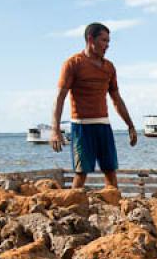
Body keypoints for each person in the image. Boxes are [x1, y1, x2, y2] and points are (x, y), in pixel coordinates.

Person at [51, 22, 137, 189]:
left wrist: (131, 125)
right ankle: (72, 210)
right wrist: (55, 131)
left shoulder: (109, 67)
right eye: (104, 40)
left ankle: (116, 209)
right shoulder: (73, 64)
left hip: (103, 126)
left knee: (110, 171)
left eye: (108, 41)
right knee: (81, 172)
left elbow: (117, 99)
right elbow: (60, 97)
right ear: (90, 39)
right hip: (82, 127)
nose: (107, 45)